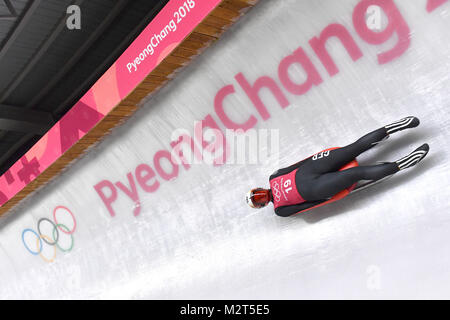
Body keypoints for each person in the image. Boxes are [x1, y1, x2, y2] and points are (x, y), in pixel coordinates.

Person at [245, 116, 429, 217]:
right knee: (357, 171)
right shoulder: (279, 209)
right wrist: (331, 195)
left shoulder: (274, 183)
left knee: (354, 151)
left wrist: (320, 159)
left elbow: (297, 166)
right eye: (259, 199)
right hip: (313, 183)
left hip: (310, 173)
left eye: (258, 193)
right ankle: (404, 161)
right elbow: (307, 206)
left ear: (261, 188)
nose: (262, 196)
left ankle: (397, 128)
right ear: (262, 205)